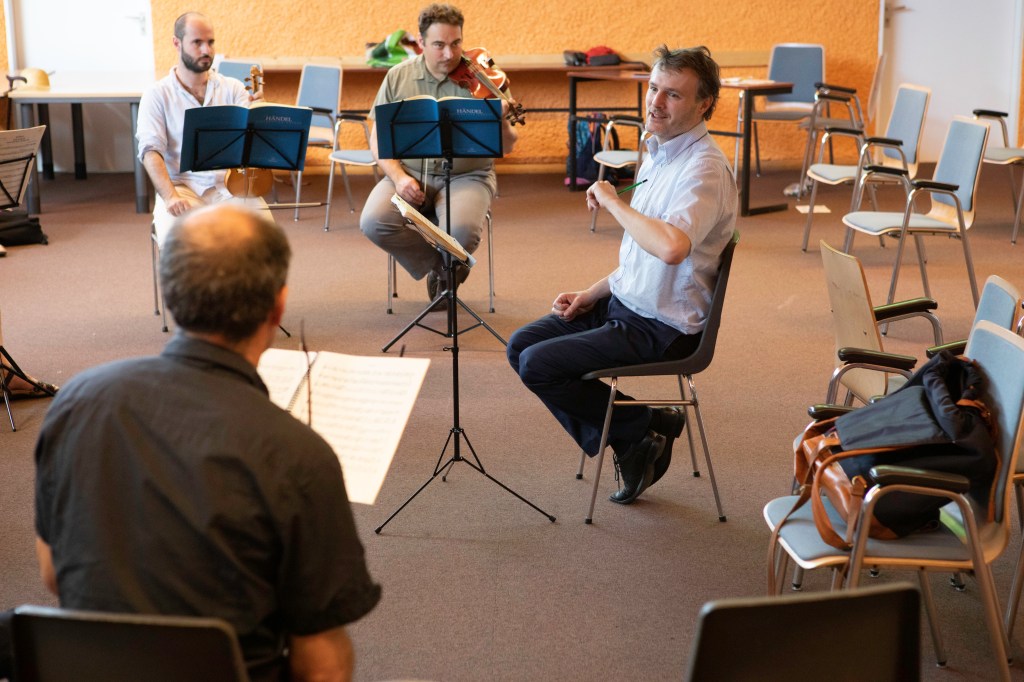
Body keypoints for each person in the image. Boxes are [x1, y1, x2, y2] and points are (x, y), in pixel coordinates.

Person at [33, 205, 380, 682]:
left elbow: (54, 573)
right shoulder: (297, 455)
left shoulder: (78, 400)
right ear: (277, 307)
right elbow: (320, 668)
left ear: (170, 296)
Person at [507, 46, 737, 506]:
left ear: (704, 104)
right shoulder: (659, 151)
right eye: (653, 88)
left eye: (673, 95)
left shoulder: (705, 169)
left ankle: (636, 433)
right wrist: (593, 292)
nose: (655, 102)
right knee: (520, 346)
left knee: (540, 365)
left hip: (664, 326)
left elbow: (671, 248)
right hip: (627, 304)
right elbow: (642, 255)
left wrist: (614, 202)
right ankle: (645, 425)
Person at [360, 3, 519, 308]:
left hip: (467, 175)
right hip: (409, 172)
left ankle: (449, 268)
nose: (449, 54)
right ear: (420, 42)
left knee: (460, 232)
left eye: (456, 43)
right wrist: (399, 177)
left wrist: (500, 119)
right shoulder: (398, 76)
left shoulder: (484, 78)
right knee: (374, 221)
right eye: (439, 45)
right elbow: (378, 139)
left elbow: (509, 145)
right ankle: (443, 269)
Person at [137, 11, 269, 246]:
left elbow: (252, 145)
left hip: (230, 185)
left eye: (210, 42)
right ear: (177, 43)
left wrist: (260, 117)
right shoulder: (156, 95)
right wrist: (170, 197)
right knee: (183, 246)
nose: (206, 50)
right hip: (181, 188)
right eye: (197, 42)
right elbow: (150, 151)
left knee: (266, 237)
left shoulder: (233, 89)